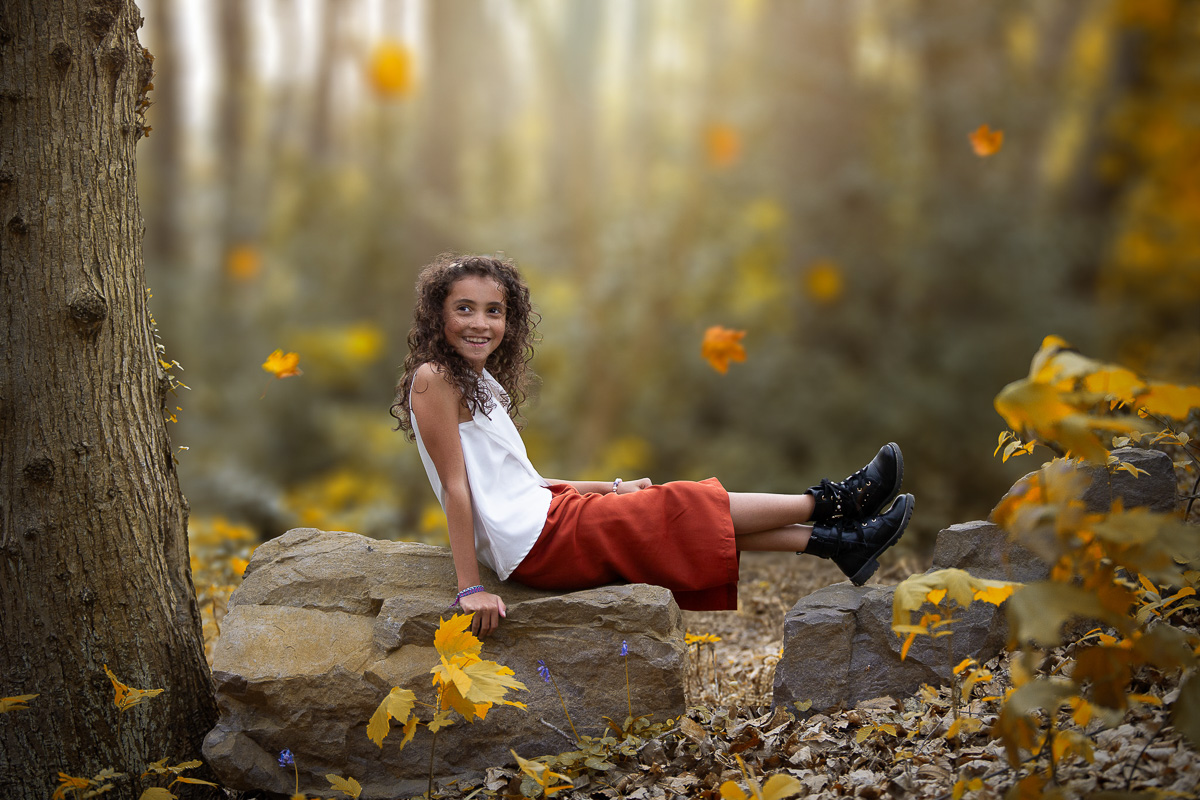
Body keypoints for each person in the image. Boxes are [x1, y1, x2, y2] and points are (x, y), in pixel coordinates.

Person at [391, 254, 914, 638]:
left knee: (670, 519)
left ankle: (839, 542)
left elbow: (518, 484)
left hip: (549, 517)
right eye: (465, 309)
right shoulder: (434, 379)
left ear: (510, 320)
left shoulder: (480, 385)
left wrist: (609, 488)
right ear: (438, 316)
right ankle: (835, 501)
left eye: (494, 311)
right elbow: (458, 490)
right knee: (679, 505)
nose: (481, 323)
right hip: (536, 543)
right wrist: (469, 588)